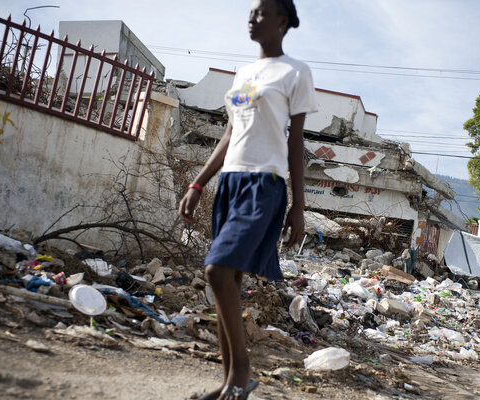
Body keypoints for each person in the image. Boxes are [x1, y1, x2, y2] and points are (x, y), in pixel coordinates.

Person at [178, 1, 317, 398]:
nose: (252, 17)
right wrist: (198, 183)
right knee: (229, 281)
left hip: (264, 186)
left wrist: (299, 207)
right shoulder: (243, 73)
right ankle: (226, 385)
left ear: (283, 21)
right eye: (251, 10)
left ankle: (241, 375)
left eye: (262, 11)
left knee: (217, 272)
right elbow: (229, 135)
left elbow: (295, 142)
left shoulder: (295, 72)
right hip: (231, 183)